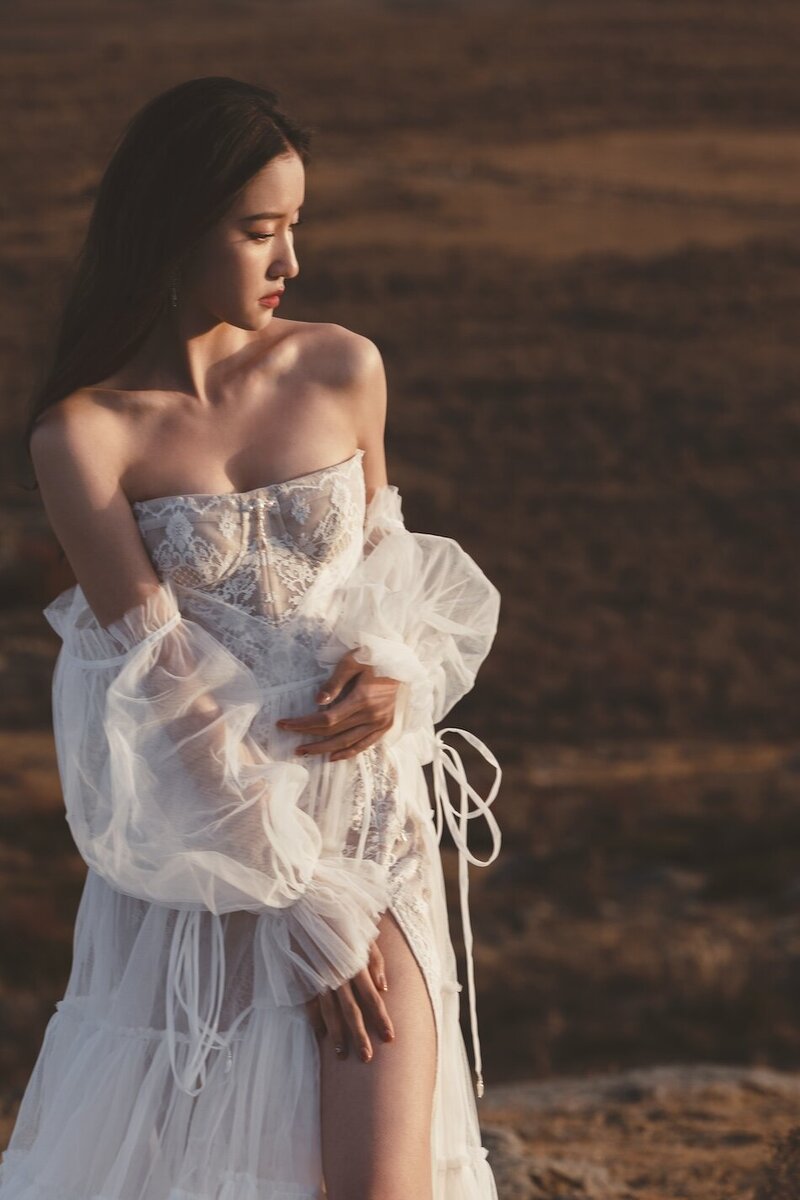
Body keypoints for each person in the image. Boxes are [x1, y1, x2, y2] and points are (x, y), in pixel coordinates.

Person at [1, 76, 503, 1200]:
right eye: (260, 231)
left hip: (372, 825)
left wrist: (395, 676)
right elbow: (153, 677)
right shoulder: (80, 437)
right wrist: (291, 898)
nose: (291, 265)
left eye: (295, 228)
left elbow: (391, 572)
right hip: (210, 858)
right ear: (172, 229)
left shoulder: (341, 366)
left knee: (381, 1185)